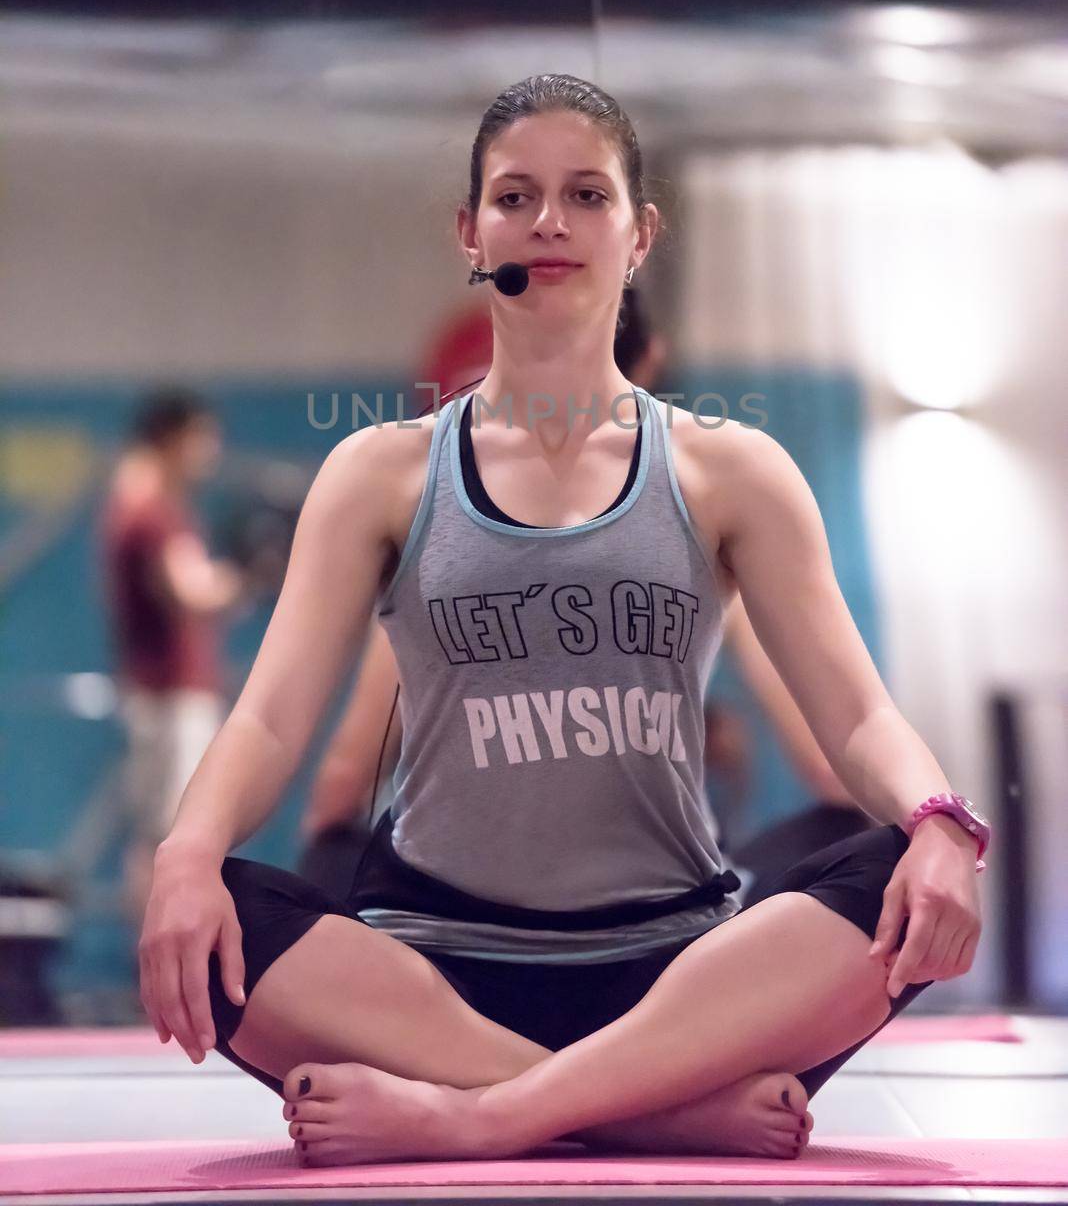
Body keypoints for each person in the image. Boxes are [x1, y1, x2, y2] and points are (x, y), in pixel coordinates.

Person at [138, 75, 988, 1170]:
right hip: (431, 975)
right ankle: (649, 1113)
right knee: (225, 919)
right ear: (468, 231)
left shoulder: (733, 471)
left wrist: (939, 822)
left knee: (897, 884)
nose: (549, 221)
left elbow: (860, 715)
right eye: (515, 196)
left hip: (679, 973)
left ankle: (486, 1112)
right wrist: (185, 856)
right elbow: (265, 724)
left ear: (640, 235)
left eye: (587, 195)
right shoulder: (379, 474)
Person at [296, 283, 864, 904]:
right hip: (663, 903)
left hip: (469, 909)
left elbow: (344, 780)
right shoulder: (704, 523)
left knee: (328, 866)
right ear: (649, 364)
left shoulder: (439, 556)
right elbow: (831, 769)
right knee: (864, 844)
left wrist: (325, 871)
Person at [99, 390, 246, 932]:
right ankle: (164, 971)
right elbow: (196, 594)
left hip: (157, 694)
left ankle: (157, 971)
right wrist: (255, 571)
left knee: (158, 836)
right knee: (175, 837)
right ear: (172, 438)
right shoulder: (152, 509)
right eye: (202, 437)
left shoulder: (135, 501)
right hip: (169, 697)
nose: (210, 450)